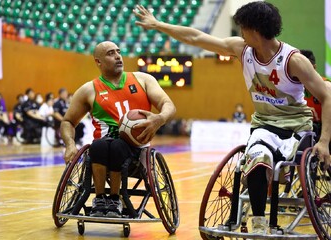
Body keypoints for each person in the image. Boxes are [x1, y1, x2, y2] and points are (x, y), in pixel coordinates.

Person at [134, 1, 331, 234]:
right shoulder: (242, 49)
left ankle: (282, 177)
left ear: (254, 29)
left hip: (296, 127)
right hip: (264, 126)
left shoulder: (294, 60)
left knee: (276, 164)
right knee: (258, 159)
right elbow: (196, 38)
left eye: (242, 27)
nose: (240, 32)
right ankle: (258, 223)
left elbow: (327, 96)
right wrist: (158, 25)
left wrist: (324, 141)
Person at [61, 41, 176, 218]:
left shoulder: (143, 80)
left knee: (118, 146)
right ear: (98, 62)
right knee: (98, 146)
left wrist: (159, 119)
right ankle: (100, 199)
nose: (117, 56)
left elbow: (168, 104)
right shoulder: (88, 90)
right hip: (102, 150)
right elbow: (67, 121)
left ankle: (114, 198)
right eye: (110, 53)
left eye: (119, 52)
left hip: (137, 151)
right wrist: (70, 144)